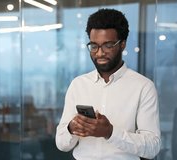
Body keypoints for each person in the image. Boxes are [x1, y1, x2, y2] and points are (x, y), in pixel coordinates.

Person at [55, 8, 161, 160]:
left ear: (122, 44)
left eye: (108, 45)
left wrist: (110, 132)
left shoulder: (143, 87)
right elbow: (62, 144)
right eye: (94, 46)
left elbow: (152, 147)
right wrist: (71, 129)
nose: (99, 53)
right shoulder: (78, 85)